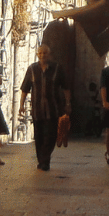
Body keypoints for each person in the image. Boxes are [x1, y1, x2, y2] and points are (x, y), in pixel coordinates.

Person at [18, 42, 70, 171]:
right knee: (39, 136)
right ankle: (41, 160)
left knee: (50, 136)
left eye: (45, 53)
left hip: (53, 108)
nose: (42, 55)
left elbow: (66, 87)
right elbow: (25, 88)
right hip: (37, 109)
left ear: (49, 54)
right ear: (37, 55)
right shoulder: (32, 69)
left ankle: (45, 161)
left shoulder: (57, 68)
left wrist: (68, 103)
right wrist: (21, 105)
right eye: (40, 53)